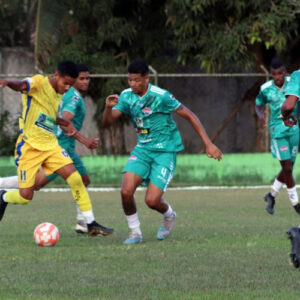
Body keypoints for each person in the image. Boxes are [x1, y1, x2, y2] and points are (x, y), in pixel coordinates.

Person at [102, 59, 222, 244]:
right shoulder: (126, 96)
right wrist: (108, 109)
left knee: (151, 201)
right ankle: (135, 232)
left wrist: (208, 143)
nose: (132, 84)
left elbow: (190, 115)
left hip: (165, 151)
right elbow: (107, 123)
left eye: (136, 80)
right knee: (126, 191)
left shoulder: (161, 96)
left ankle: (168, 215)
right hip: (142, 150)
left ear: (146, 78)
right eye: (130, 80)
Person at [0, 60, 114, 237]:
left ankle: (91, 223)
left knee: (76, 178)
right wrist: (7, 83)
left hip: (51, 146)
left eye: (70, 84)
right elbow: (21, 85)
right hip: (29, 147)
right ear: (56, 76)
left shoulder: (58, 94)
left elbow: (51, 116)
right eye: (65, 83)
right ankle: (3, 196)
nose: (67, 87)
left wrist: (69, 127)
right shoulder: (38, 83)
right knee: (26, 196)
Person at [255, 58, 300, 215]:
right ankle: (295, 202)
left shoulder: (293, 83)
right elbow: (258, 104)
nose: (277, 77)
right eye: (273, 74)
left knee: (288, 167)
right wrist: (260, 115)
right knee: (287, 167)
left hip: (294, 128)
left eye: (279, 74)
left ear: (284, 73)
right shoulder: (265, 88)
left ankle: (271, 195)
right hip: (277, 131)